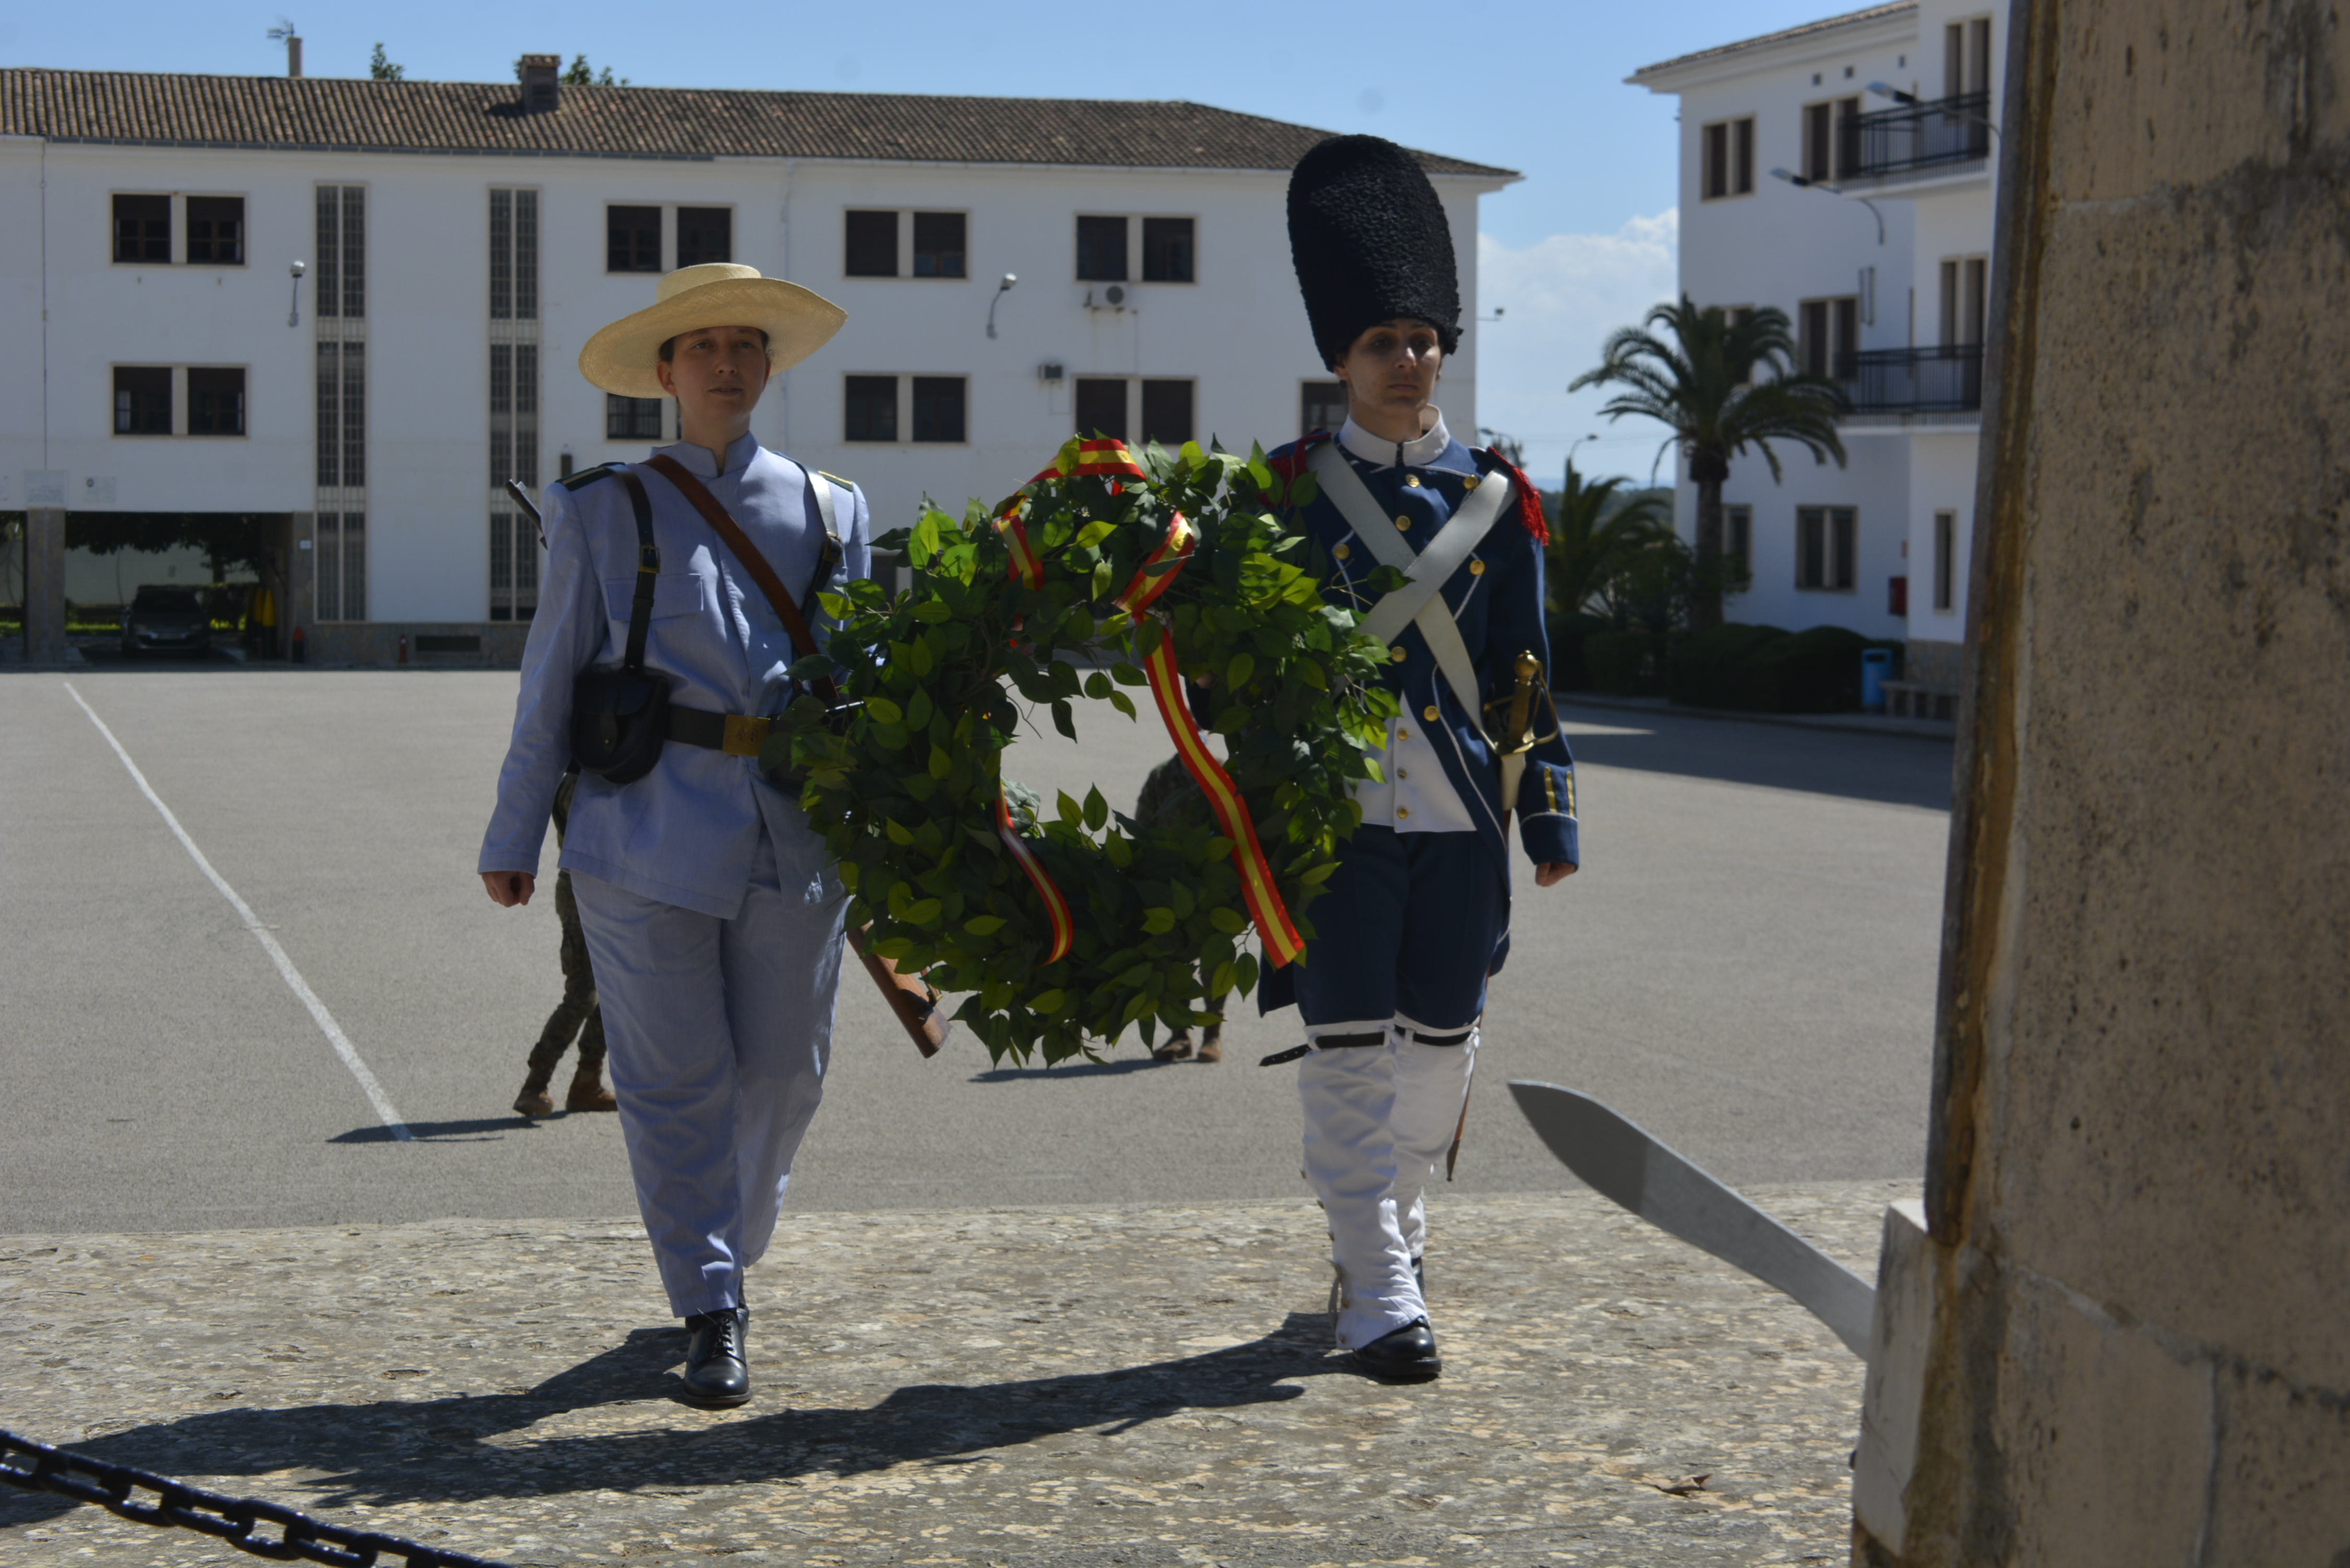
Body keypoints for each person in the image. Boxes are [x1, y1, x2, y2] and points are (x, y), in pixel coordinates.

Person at [477, 262, 869, 1408]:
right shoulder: (601, 508)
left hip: (793, 834)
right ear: (664, 373)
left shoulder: (832, 507)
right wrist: (513, 832)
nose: (728, 363)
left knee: (787, 1072)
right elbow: (548, 683)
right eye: (703, 347)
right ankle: (710, 1302)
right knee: (671, 1080)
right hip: (643, 831)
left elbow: (859, 678)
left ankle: (724, 1256)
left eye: (746, 344)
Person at [1262, 136, 1581, 1383]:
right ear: (1340, 361)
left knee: (1442, 1048)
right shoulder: (1290, 494)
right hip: (1332, 822)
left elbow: (1523, 675)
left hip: (1458, 817)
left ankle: (1388, 1233)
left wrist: (1549, 819)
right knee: (1346, 1048)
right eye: (1380, 342)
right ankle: (1380, 1284)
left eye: (1421, 338)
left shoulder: (1500, 504)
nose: (1407, 360)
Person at [511, 771, 618, 1119]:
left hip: (613, 896)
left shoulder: (603, 776)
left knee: (614, 991)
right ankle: (535, 1082)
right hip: (581, 894)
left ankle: (588, 1080)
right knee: (583, 994)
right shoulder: (581, 783)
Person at [1134, 755, 1229, 1063]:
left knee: (1215, 962)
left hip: (1214, 885)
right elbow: (1143, 826)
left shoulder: (1224, 771)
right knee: (1173, 960)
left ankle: (1212, 1034)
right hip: (1172, 885)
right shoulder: (1162, 776)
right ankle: (1179, 1036)